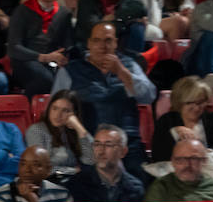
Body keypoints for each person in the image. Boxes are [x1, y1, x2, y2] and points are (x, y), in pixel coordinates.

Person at [52, 21, 156, 179]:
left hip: (127, 142)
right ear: (89, 44)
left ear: (115, 43)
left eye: (108, 40)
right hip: (90, 142)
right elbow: (55, 112)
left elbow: (149, 96)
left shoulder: (128, 65)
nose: (102, 46)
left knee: (140, 179)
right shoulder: (71, 70)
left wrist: (122, 72)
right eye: (96, 40)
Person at [7, 0, 73, 96]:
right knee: (46, 80)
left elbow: (68, 43)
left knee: (75, 77)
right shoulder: (22, 11)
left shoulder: (64, 13)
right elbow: (14, 47)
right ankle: (33, 111)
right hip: (27, 60)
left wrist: (64, 57)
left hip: (54, 61)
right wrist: (43, 57)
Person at [151, 76, 213, 169]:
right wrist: (174, 133)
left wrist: (205, 151)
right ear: (179, 103)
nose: (196, 108)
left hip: (210, 173)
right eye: (190, 103)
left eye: (201, 102)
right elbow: (158, 157)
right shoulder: (167, 122)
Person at [74, 0, 149, 54]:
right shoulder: (86, 2)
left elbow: (141, 9)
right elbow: (94, 29)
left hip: (121, 52)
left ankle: (133, 63)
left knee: (137, 27)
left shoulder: (132, 2)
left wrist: (115, 16)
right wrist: (123, 22)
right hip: (89, 52)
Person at [66, 125, 146, 202]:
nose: (101, 152)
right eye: (97, 144)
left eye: (108, 145)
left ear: (123, 151)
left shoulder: (135, 188)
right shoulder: (77, 184)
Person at [26, 89, 92, 181]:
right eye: (55, 108)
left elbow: (91, 160)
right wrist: (72, 171)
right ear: (49, 108)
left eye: (65, 110)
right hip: (49, 183)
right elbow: (40, 169)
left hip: (73, 182)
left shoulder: (72, 131)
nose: (57, 115)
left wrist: (79, 128)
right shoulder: (36, 130)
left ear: (74, 113)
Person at [144, 138, 213, 202]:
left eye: (193, 159)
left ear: (204, 161)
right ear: (173, 162)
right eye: (180, 159)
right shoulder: (161, 187)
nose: (187, 165)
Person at [0, 146, 71, 202]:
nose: (27, 170)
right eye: (23, 164)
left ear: (48, 170)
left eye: (35, 165)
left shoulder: (61, 194)